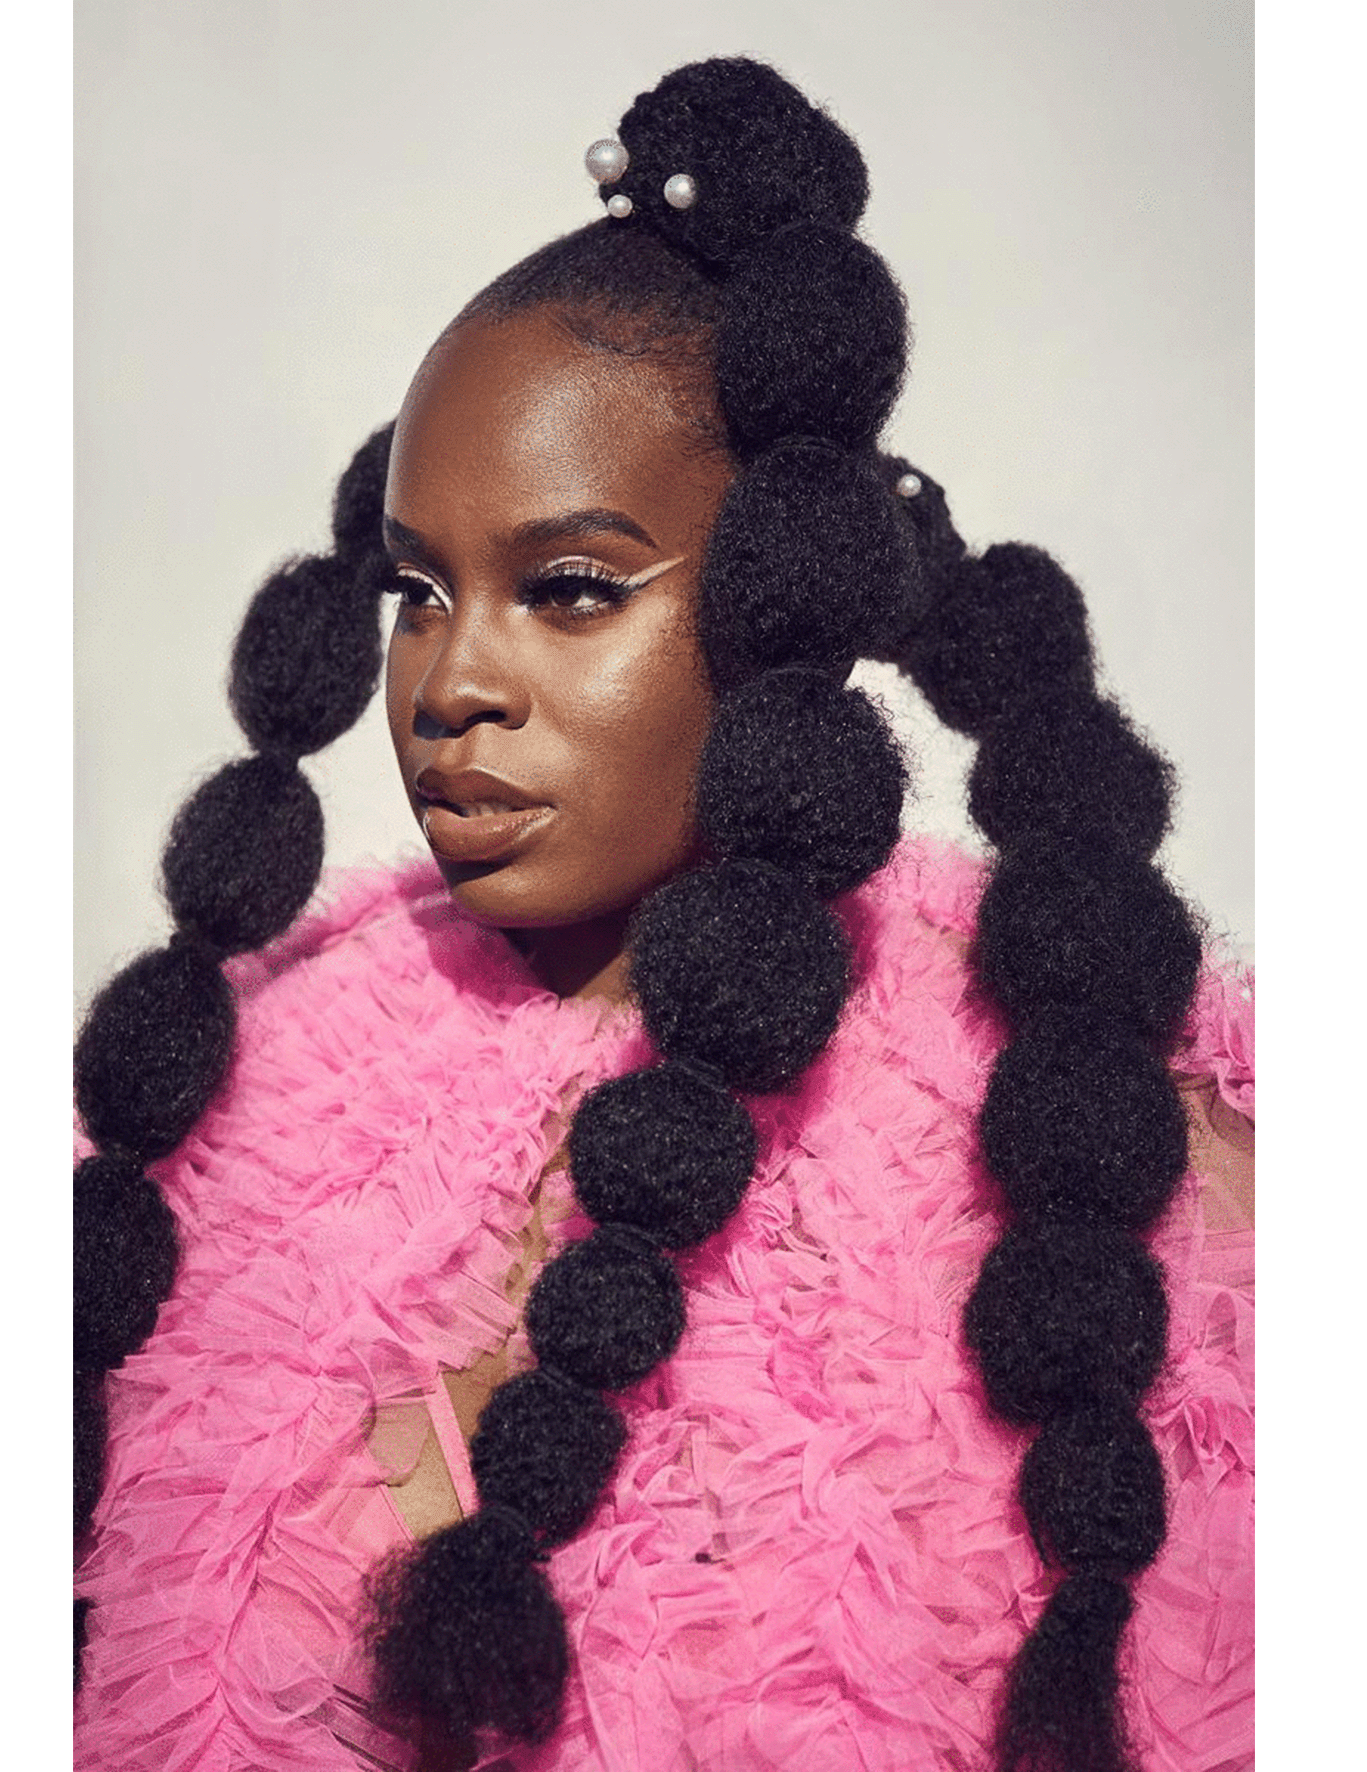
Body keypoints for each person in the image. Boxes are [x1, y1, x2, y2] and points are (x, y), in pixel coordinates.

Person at [73, 57, 1253, 1772]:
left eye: (568, 591)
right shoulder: (236, 1097)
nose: (453, 684)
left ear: (780, 589)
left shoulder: (1072, 1122)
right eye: (419, 591)